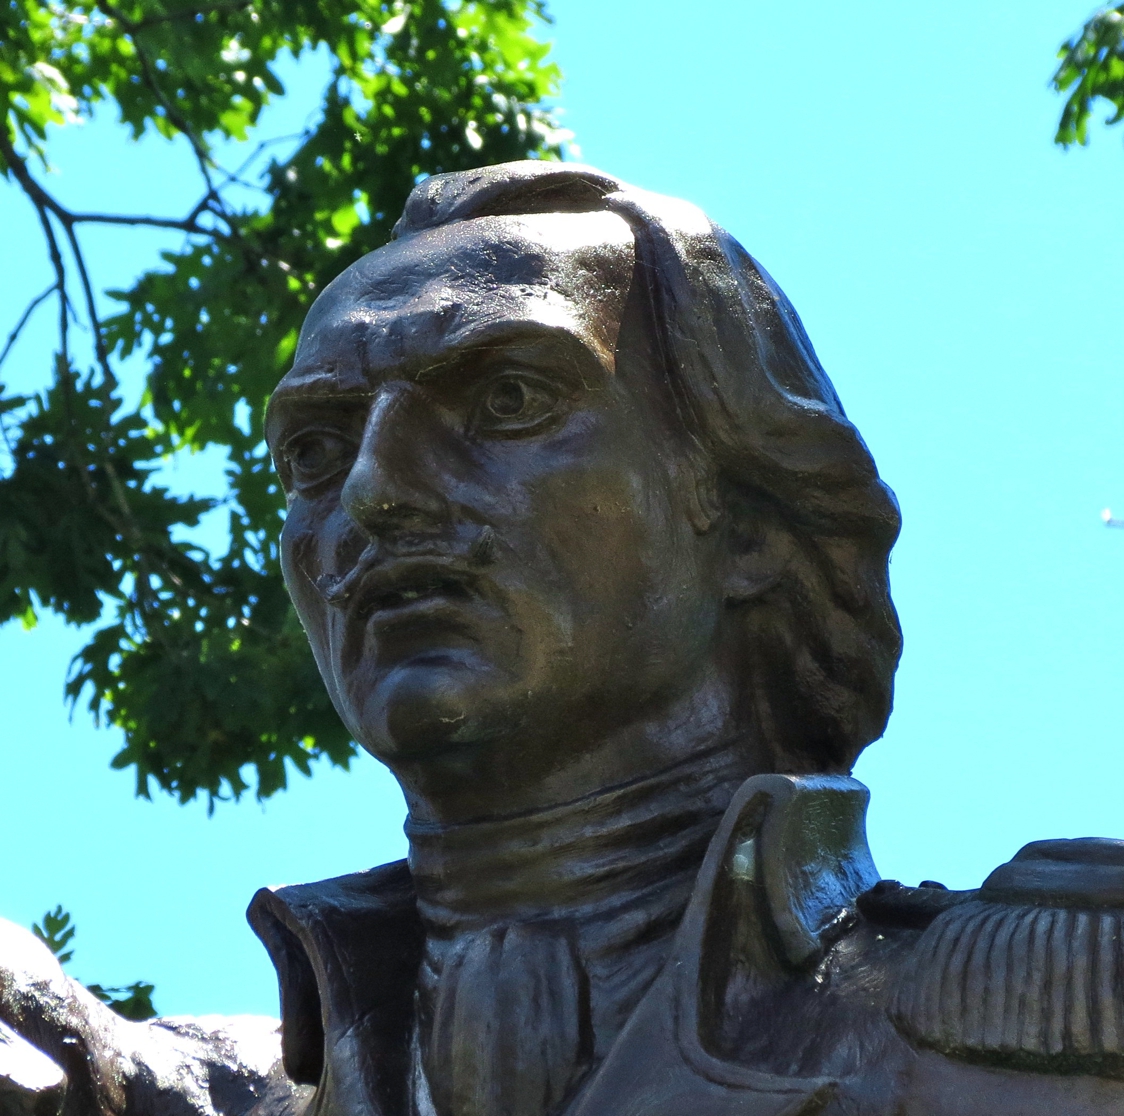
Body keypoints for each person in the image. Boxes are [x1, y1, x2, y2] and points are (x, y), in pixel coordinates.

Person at [5, 161, 1124, 1116]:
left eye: (508, 401)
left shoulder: (1058, 1032)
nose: (372, 495)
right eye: (315, 450)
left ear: (742, 521)